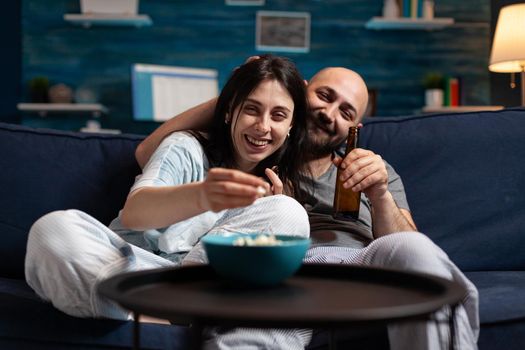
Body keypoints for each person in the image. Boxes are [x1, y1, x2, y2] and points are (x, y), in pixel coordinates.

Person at [136, 59, 480, 350]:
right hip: (290, 270)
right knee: (256, 308)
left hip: (365, 266)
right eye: (324, 96)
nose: (330, 113)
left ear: (354, 127)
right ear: (301, 93)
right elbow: (149, 155)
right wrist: (243, 90)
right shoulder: (262, 148)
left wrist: (379, 195)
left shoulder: (375, 168)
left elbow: (408, 241)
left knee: (415, 250)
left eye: (345, 111)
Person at [24, 55, 312, 325]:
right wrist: (202, 196)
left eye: (278, 115)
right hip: (131, 271)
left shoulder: (277, 192)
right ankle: (168, 320)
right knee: (52, 229)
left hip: (202, 287)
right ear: (228, 112)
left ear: (290, 126)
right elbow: (136, 214)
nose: (263, 126)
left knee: (289, 213)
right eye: (251, 109)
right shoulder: (185, 147)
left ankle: (157, 312)